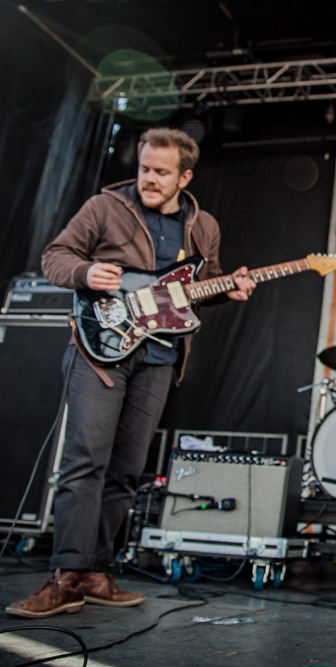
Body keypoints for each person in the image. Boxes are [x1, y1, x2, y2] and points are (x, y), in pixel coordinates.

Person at [6, 128, 256, 619]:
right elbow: (55, 257)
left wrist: (228, 290)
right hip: (100, 351)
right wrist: (84, 273)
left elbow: (196, 290)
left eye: (161, 172)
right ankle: (66, 575)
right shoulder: (104, 208)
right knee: (85, 461)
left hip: (159, 357)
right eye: (144, 169)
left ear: (185, 177)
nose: (149, 179)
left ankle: (95, 572)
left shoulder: (203, 226)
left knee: (125, 470)